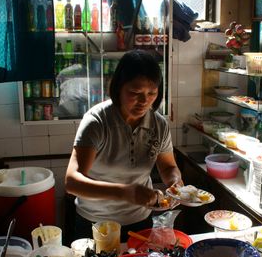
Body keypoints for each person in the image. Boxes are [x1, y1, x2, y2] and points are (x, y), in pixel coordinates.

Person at [65, 49, 182, 241]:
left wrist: (175, 183)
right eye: (135, 92)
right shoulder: (97, 121)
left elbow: (169, 166)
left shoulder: (158, 125)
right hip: (95, 224)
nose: (144, 101)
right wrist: (126, 192)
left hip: (140, 221)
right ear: (118, 87)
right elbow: (72, 182)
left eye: (152, 92)